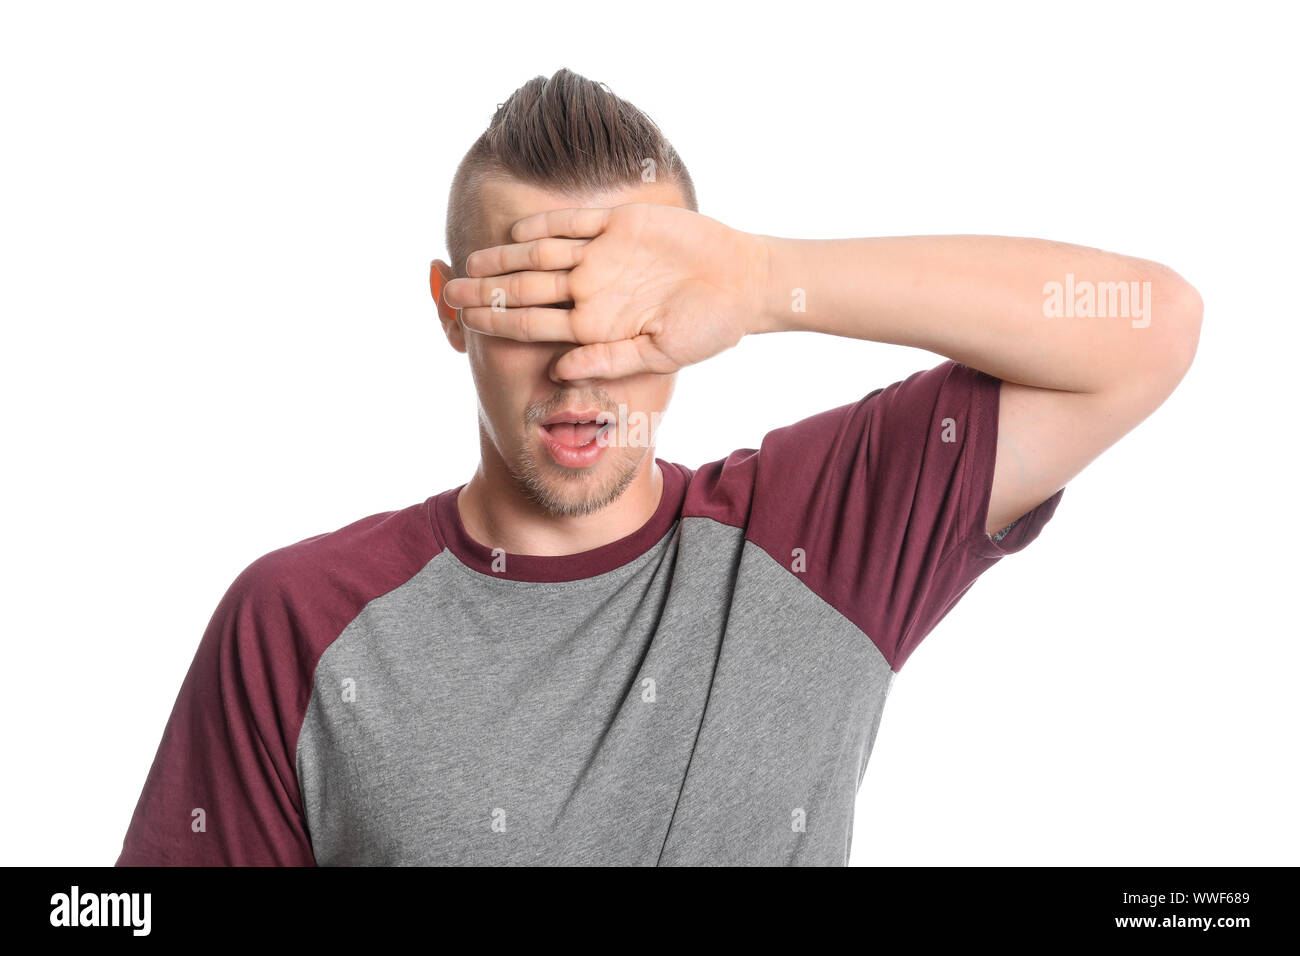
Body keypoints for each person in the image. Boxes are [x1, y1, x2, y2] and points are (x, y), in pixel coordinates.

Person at [115, 68, 1202, 866]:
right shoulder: (297, 619)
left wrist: (767, 278)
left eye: (632, 312)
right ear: (452, 312)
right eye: (538, 307)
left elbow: (1146, 328)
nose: (584, 367)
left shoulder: (812, 537)